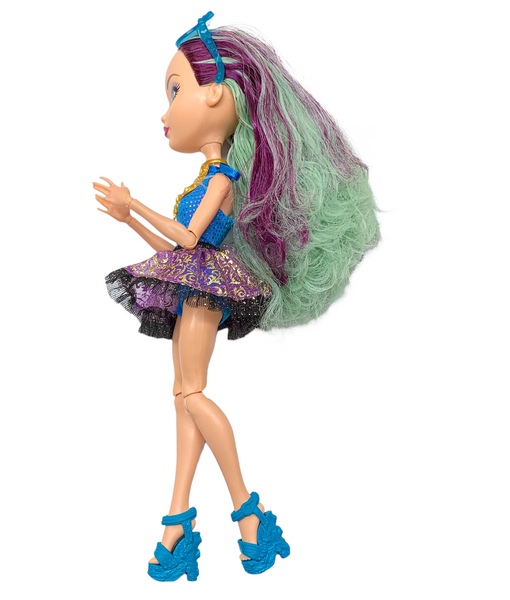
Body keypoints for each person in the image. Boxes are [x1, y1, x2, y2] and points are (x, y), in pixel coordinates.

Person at [93, 12, 381, 582]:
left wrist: (136, 204)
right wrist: (129, 220)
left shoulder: (222, 176)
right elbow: (171, 248)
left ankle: (249, 514)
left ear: (216, 94)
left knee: (193, 393)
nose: (165, 112)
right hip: (190, 283)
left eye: (176, 91)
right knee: (182, 396)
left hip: (206, 290)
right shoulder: (204, 177)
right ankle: (178, 522)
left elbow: (188, 238)